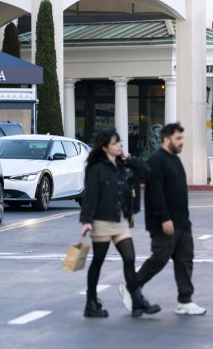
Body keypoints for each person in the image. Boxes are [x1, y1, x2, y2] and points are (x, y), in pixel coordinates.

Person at [119, 123, 206, 316]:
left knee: (184, 260)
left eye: (182, 138)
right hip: (164, 222)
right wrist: (165, 219)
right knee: (159, 258)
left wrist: (184, 220)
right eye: (178, 139)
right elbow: (155, 194)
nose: (181, 142)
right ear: (166, 139)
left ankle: (185, 301)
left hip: (182, 222)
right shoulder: (156, 161)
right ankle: (131, 287)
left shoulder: (174, 159)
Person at [80, 128, 160, 318]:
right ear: (105, 147)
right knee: (98, 261)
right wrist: (86, 221)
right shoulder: (96, 169)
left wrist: (127, 157)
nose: (119, 146)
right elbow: (91, 196)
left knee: (130, 258)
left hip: (120, 219)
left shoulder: (122, 166)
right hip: (101, 221)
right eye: (115, 143)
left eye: (119, 143)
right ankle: (91, 302)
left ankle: (137, 301)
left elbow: (146, 171)